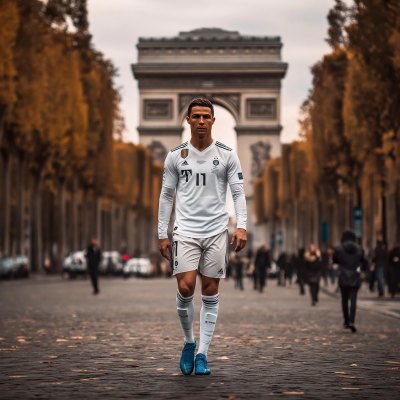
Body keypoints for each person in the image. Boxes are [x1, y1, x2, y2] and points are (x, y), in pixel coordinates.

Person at [158, 98, 247, 376]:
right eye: (195, 116)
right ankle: (188, 342)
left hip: (216, 232)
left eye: (206, 116)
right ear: (187, 120)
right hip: (184, 231)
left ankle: (202, 354)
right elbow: (166, 195)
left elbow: (238, 193)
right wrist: (162, 233)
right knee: (185, 289)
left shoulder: (228, 155)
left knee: (210, 291)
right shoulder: (174, 155)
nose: (200, 121)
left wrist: (241, 225)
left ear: (213, 120)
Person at [333, 230, 365, 333]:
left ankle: (346, 321)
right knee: (353, 300)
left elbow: (335, 260)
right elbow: (364, 261)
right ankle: (352, 321)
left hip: (343, 275)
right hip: (355, 276)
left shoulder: (339, 249)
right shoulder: (359, 249)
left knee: (344, 300)